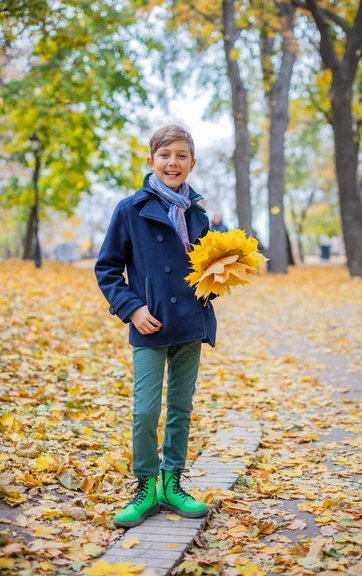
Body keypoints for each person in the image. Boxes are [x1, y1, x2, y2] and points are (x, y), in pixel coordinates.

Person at [94, 125, 217, 529]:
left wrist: (219, 280)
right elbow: (108, 268)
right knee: (145, 410)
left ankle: (172, 484)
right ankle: (145, 485)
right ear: (151, 162)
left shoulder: (198, 214)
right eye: (165, 155)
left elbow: (206, 271)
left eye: (182, 155)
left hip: (190, 326)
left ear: (192, 164)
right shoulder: (130, 209)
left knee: (181, 409)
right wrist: (131, 308)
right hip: (149, 325)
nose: (173, 162)